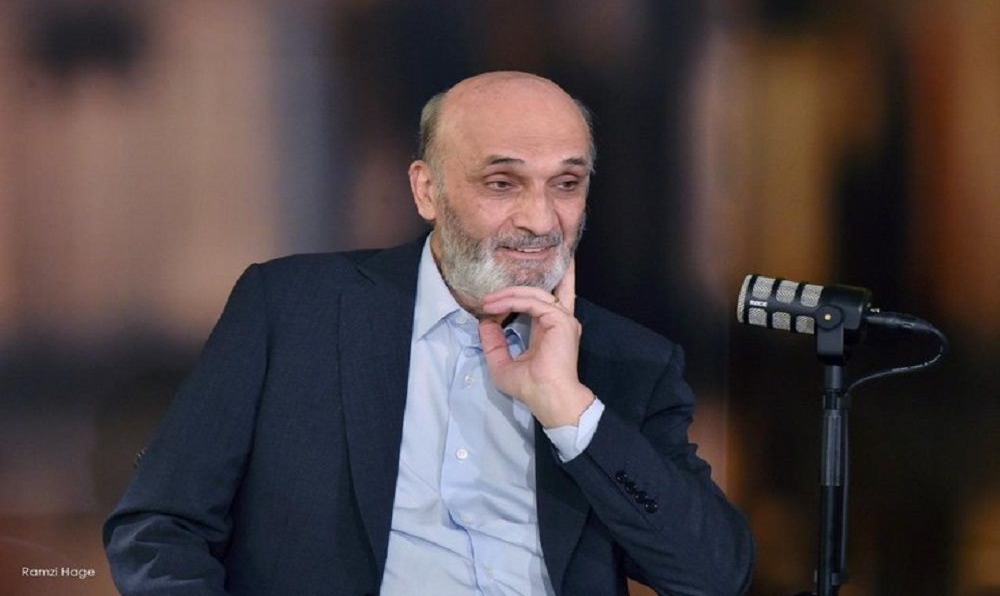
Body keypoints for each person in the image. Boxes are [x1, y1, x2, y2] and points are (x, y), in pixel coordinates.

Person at [104, 71, 754, 595]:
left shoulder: (627, 362)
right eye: (502, 183)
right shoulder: (293, 309)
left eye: (566, 183)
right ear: (427, 191)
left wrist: (570, 410)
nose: (540, 219)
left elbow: (714, 577)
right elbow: (158, 526)